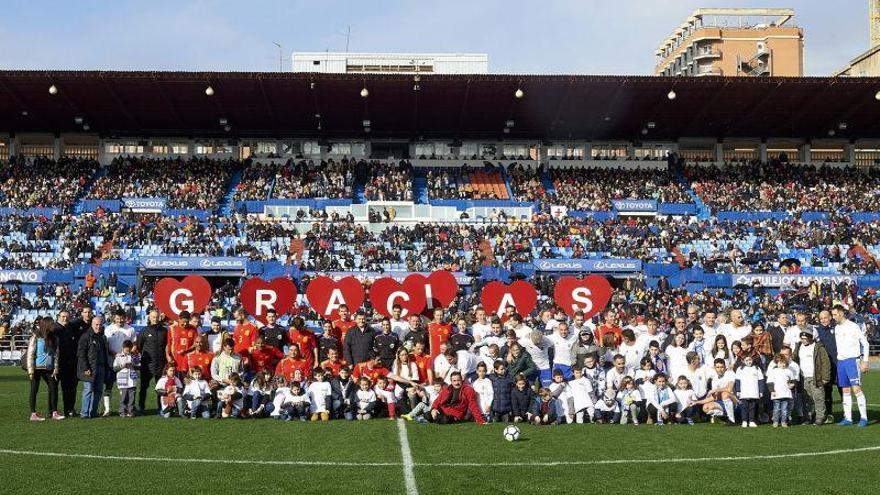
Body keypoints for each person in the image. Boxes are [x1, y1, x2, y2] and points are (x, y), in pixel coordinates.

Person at [831, 305, 870, 427]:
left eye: (835, 314)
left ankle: (864, 418)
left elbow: (865, 343)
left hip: (852, 361)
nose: (833, 317)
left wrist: (865, 361)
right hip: (841, 362)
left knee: (856, 389)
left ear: (842, 313)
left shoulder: (853, 327)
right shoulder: (836, 328)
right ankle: (848, 418)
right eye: (832, 315)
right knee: (845, 390)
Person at [27, 317, 62, 421]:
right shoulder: (36, 336)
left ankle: (54, 412)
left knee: (53, 388)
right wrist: (30, 370)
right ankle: (33, 414)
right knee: (34, 389)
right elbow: (30, 353)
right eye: (51, 324)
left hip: (49, 368)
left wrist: (55, 368)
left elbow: (56, 354)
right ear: (46, 325)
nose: (53, 326)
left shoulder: (54, 338)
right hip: (36, 368)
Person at [793, 331, 831, 425]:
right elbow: (794, 358)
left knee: (818, 398)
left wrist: (825, 377)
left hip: (816, 377)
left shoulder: (818, 347)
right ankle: (808, 417)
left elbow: (825, 363)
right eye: (802, 338)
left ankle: (820, 417)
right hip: (803, 377)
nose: (803, 340)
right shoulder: (799, 346)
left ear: (810, 338)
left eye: (805, 338)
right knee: (807, 399)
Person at [102, 310, 136, 416]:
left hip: (127, 366)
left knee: (126, 387)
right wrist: (116, 354)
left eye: (121, 318)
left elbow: (134, 344)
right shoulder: (108, 329)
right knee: (108, 386)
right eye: (117, 318)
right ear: (114, 318)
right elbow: (106, 345)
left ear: (125, 318)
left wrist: (129, 355)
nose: (120, 320)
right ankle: (107, 409)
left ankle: (126, 409)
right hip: (112, 362)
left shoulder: (130, 329)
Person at [77, 315, 109, 419]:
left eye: (100, 325)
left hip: (101, 367)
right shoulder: (85, 337)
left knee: (99, 391)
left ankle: (93, 412)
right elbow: (81, 354)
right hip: (90, 368)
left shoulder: (102, 337)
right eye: (96, 324)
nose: (98, 326)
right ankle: (84, 413)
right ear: (92, 324)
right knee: (88, 390)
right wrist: (86, 368)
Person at [136, 309, 166, 414]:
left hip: (161, 364)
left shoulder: (164, 331)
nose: (155, 319)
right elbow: (139, 346)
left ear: (160, 317)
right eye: (153, 317)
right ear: (149, 317)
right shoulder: (144, 331)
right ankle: (141, 407)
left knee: (161, 388)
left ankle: (161, 408)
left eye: (157, 317)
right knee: (143, 388)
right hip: (147, 365)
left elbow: (166, 347)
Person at [55, 308, 83, 418]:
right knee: (54, 389)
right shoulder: (54, 329)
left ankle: (70, 409)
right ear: (58, 317)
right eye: (63, 316)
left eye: (67, 316)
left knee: (71, 388)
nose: (65, 318)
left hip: (71, 364)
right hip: (58, 364)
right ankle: (53, 410)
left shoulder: (71, 328)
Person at [767, 353, 796, 428]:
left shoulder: (788, 371)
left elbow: (793, 380)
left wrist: (792, 384)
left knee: (784, 409)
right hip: (776, 394)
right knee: (776, 409)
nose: (782, 365)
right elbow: (770, 382)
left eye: (784, 363)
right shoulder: (773, 371)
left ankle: (783, 422)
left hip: (785, 394)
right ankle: (776, 421)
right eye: (780, 363)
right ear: (777, 363)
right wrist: (772, 390)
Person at [735, 354, 763, 428]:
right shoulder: (740, 369)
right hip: (744, 392)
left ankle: (751, 421)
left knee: (752, 407)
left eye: (750, 360)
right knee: (744, 407)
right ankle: (744, 421)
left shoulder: (757, 368)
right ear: (743, 361)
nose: (749, 362)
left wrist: (761, 391)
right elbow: (738, 380)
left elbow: (760, 380)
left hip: (754, 392)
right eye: (747, 360)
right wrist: (738, 390)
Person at [112, 339, 138, 418]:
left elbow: (139, 365)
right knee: (123, 396)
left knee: (132, 396)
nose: (127, 351)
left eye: (129, 349)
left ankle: (130, 411)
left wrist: (134, 364)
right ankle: (122, 411)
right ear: (123, 348)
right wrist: (123, 365)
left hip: (132, 379)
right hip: (122, 380)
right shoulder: (118, 357)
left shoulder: (134, 356)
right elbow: (114, 368)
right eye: (126, 349)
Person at [166, 311, 197, 377]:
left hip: (189, 360)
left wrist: (186, 350)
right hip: (175, 360)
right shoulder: (172, 328)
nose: (185, 324)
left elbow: (195, 344)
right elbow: (168, 344)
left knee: (188, 382)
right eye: (183, 322)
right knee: (176, 383)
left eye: (187, 322)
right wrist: (168, 356)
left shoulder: (193, 329)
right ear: (179, 319)